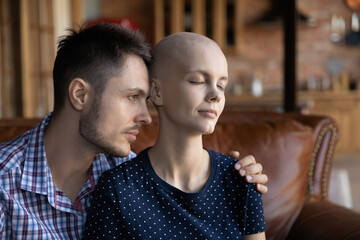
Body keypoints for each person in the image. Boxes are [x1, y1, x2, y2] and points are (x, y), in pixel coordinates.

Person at [0, 23, 267, 239]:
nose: (145, 117)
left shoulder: (125, 169)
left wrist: (237, 175)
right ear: (80, 94)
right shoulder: (4, 182)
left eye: (145, 98)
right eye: (131, 97)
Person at [83, 32, 266, 239]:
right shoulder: (117, 188)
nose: (215, 95)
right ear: (157, 92)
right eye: (197, 81)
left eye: (222, 85)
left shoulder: (242, 180)